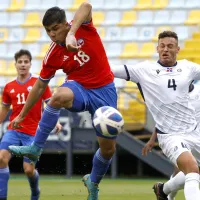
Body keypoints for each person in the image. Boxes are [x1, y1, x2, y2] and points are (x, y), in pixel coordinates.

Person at [8, 3, 117, 200]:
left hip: (105, 91)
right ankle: (36, 148)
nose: (52, 34)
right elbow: (40, 87)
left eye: (56, 29)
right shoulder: (53, 54)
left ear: (66, 24)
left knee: (108, 150)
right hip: (80, 88)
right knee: (57, 96)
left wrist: (71, 34)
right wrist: (22, 114)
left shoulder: (83, 27)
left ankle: (93, 182)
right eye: (48, 31)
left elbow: (86, 5)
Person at [111, 31, 200, 200]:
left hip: (194, 132)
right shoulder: (144, 70)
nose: (165, 49)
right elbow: (110, 70)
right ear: (157, 48)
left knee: (195, 171)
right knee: (192, 171)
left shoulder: (188, 68)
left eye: (170, 46)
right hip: (170, 136)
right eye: (162, 46)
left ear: (178, 49)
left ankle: (163, 191)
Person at [0, 49, 62, 200]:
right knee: (1, 158)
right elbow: (5, 108)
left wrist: (57, 121)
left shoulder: (39, 83)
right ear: (15, 64)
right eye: (20, 62)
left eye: (25, 62)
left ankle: (35, 191)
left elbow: (50, 103)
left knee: (28, 170)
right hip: (13, 130)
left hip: (33, 132)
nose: (22, 65)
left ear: (30, 64)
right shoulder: (9, 87)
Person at [142, 82, 200, 200]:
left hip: (196, 138)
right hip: (179, 137)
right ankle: (168, 196)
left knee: (191, 172)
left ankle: (163, 190)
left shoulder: (198, 91)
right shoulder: (173, 95)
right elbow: (164, 120)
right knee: (186, 170)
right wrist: (153, 139)